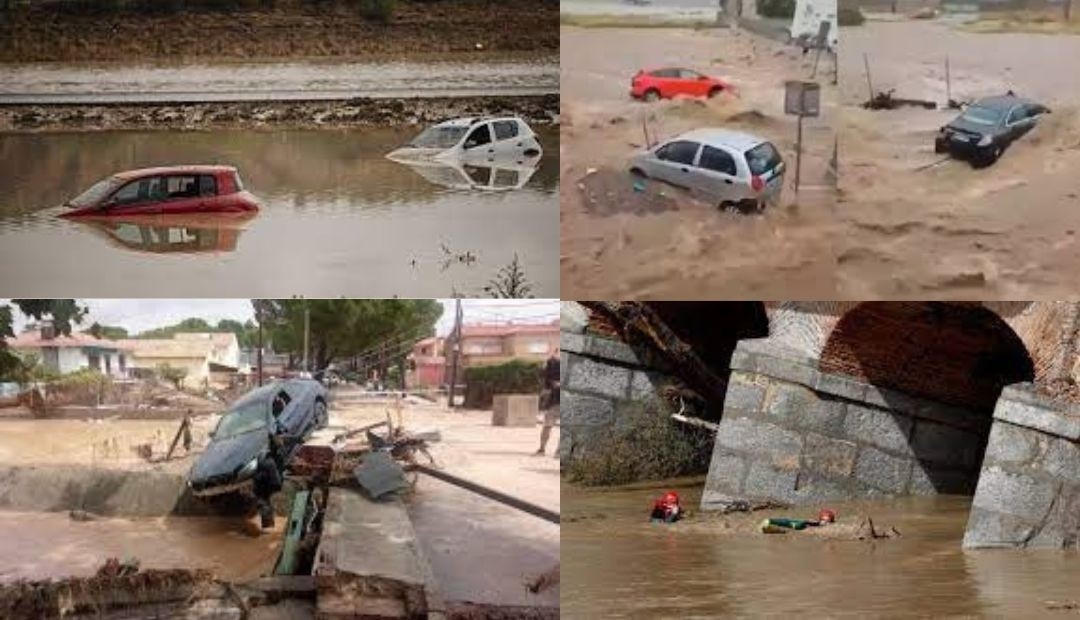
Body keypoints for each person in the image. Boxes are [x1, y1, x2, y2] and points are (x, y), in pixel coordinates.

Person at [534, 348, 560, 456]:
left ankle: (551, 450)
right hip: (555, 401)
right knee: (548, 425)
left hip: (557, 400)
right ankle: (543, 449)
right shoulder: (552, 364)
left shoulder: (553, 363)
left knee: (548, 425)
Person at [760, 508, 837, 533]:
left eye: (826, 520)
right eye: (823, 519)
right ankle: (770, 523)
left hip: (800, 526)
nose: (824, 521)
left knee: (785, 529)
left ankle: (771, 526)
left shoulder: (831, 527)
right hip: (801, 525)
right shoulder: (816, 523)